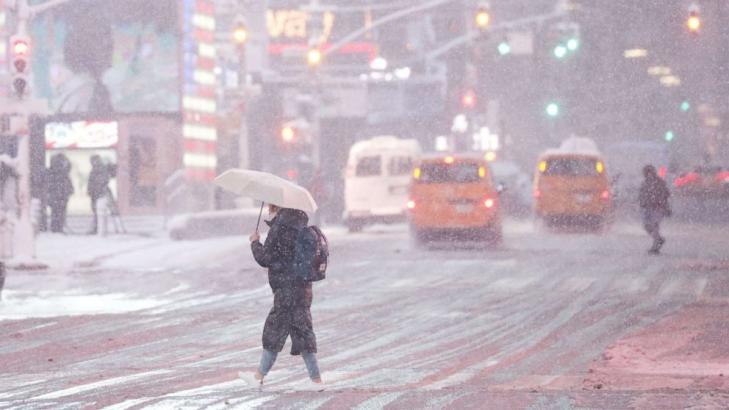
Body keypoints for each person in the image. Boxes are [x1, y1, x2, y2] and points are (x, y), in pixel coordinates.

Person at [243, 204, 323, 388]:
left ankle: (258, 377)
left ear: (274, 205)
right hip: (302, 287)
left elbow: (265, 258)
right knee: (302, 333)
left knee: (274, 331)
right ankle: (316, 380)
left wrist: (255, 242)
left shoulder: (281, 227)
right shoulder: (300, 224)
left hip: (286, 290)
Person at [638, 164, 671, 254]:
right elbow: (641, 195)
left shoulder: (659, 182)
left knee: (654, 225)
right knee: (647, 226)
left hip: (657, 208)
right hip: (647, 208)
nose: (647, 174)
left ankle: (655, 245)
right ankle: (658, 239)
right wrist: (642, 203)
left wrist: (665, 206)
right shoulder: (645, 183)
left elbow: (666, 194)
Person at [46, 153, 74, 233]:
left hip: (59, 194)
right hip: (59, 194)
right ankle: (57, 228)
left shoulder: (56, 171)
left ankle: (57, 227)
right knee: (58, 212)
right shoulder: (59, 172)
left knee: (57, 212)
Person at [86, 155, 111, 234]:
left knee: (99, 212)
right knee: (98, 212)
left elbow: (99, 181)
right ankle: (98, 228)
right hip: (96, 193)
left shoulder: (99, 170)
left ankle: (99, 229)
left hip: (98, 193)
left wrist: (93, 189)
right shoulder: (97, 170)